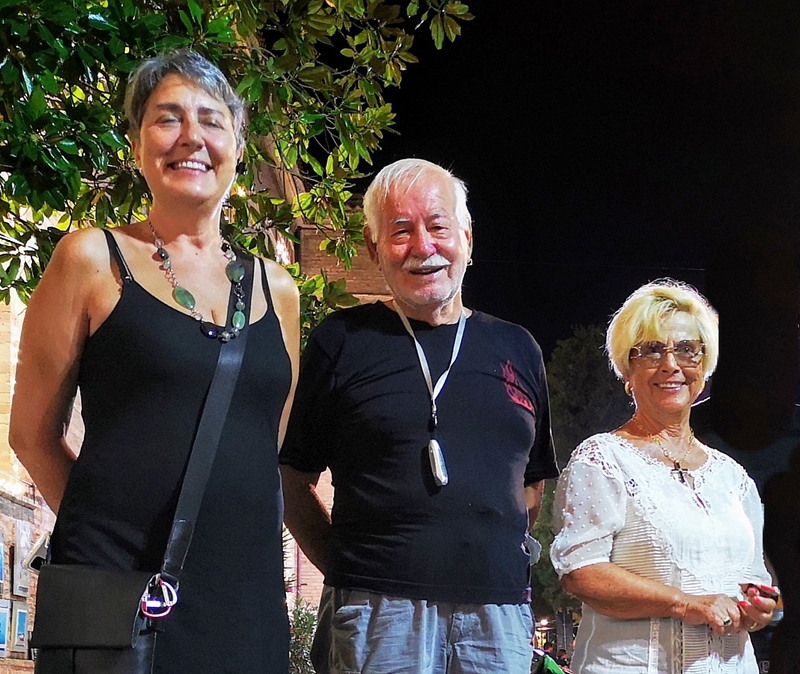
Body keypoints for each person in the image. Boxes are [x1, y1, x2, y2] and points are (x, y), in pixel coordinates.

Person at [9, 49, 299, 673]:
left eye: (212, 120)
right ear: (137, 145)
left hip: (243, 600)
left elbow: (263, 443)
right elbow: (31, 436)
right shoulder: (91, 260)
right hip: (119, 594)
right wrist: (105, 535)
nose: (191, 136)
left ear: (237, 147)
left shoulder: (278, 289)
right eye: (168, 118)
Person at [279, 158, 559, 673]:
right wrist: (348, 567)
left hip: (498, 617)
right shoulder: (342, 341)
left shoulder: (518, 348)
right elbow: (293, 479)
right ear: (373, 248)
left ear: (467, 239)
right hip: (376, 611)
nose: (423, 246)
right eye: (401, 230)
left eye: (438, 227)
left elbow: (531, 484)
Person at [550, 280, 777, 673]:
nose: (671, 365)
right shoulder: (602, 459)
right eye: (652, 350)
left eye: (687, 350)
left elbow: (756, 581)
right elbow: (581, 573)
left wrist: (760, 608)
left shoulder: (733, 478)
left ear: (704, 366)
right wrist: (685, 603)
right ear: (627, 369)